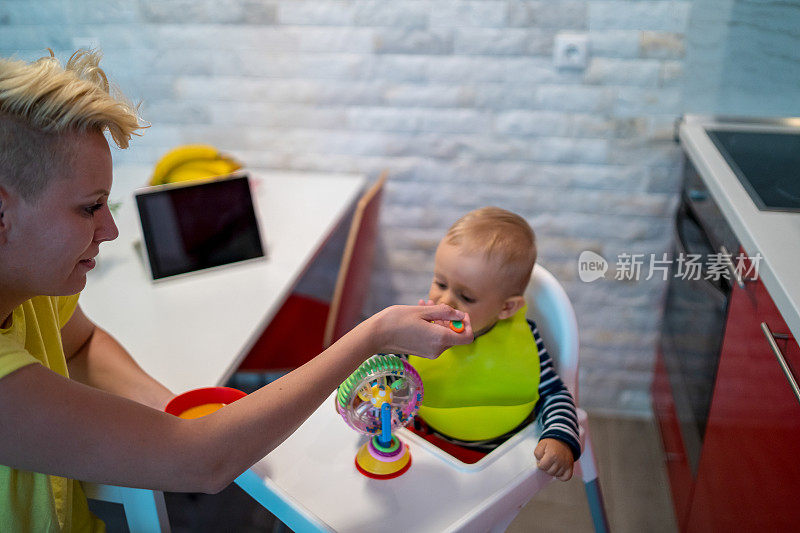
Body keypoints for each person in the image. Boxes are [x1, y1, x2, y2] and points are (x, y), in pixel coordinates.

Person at [0, 50, 473, 531]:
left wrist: (172, 413)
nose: (112, 230)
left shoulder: (39, 285)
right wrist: (372, 336)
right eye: (89, 208)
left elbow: (80, 342)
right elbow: (203, 462)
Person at [408, 207, 580, 481]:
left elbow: (555, 394)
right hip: (423, 445)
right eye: (440, 283)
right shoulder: (422, 326)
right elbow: (397, 373)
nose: (445, 302)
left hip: (493, 460)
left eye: (466, 297)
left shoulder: (525, 341)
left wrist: (559, 437)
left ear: (506, 307)